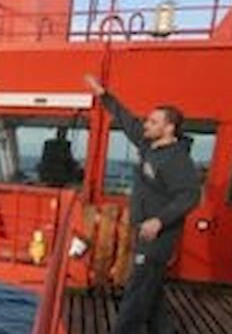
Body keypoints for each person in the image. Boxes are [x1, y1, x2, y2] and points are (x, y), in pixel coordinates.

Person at [84, 74, 200, 334]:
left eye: (153, 121)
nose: (147, 124)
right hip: (145, 231)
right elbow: (127, 121)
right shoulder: (150, 145)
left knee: (136, 295)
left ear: (169, 128)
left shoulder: (177, 159)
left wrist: (160, 220)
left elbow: (190, 195)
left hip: (158, 236)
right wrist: (104, 95)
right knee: (152, 291)